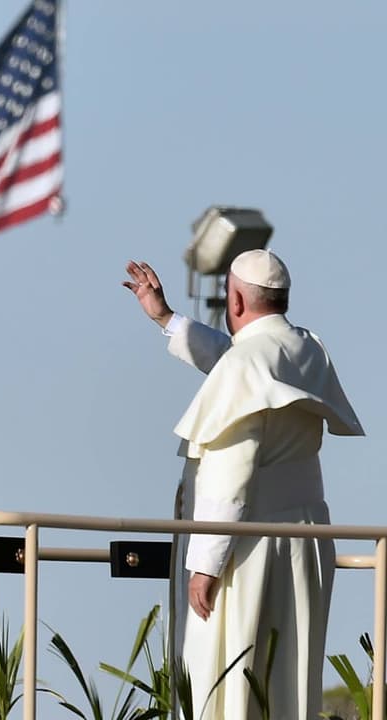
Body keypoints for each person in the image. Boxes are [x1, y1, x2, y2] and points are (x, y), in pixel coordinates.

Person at [122, 250, 364, 719]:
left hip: (243, 549)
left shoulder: (247, 364)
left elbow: (231, 473)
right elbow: (240, 360)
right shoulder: (307, 348)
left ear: (235, 300)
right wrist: (167, 319)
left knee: (226, 683)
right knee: (286, 683)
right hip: (302, 541)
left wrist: (207, 564)